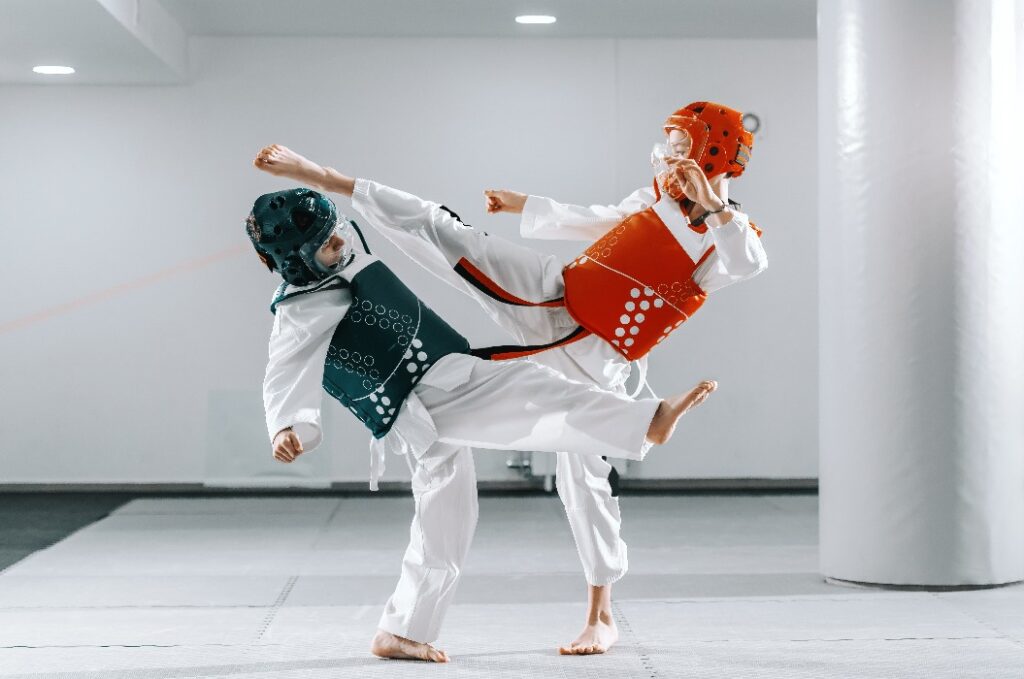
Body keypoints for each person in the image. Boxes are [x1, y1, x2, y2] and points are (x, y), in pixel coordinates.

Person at [252, 101, 765, 655]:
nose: (669, 157)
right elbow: (598, 217)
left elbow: (747, 262)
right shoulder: (653, 200)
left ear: (713, 154)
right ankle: (328, 177)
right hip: (555, 291)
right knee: (446, 231)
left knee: (583, 476)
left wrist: (716, 210)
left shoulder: (727, 236)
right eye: (667, 145)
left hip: (598, 353)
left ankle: (600, 613)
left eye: (682, 147)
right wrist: (530, 207)